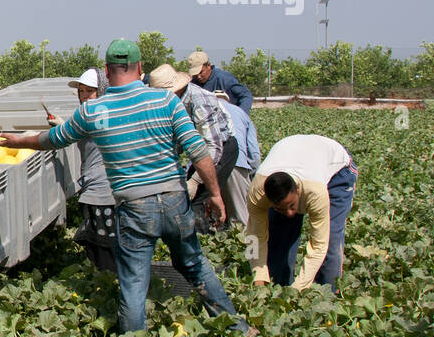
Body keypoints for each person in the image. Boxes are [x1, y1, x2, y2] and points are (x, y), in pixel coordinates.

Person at [0, 39, 250, 335]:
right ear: (140, 68)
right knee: (194, 264)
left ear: (107, 71)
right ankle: (237, 329)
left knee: (133, 282)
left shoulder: (93, 111)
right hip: (174, 200)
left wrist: (18, 141)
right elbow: (199, 152)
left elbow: (52, 139)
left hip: (134, 207)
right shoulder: (166, 101)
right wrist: (216, 195)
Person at [246, 135, 358, 293]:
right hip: (293, 155)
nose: (290, 213)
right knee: (278, 238)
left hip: (337, 170)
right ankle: (278, 290)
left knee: (330, 238)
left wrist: (299, 288)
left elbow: (319, 245)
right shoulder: (257, 194)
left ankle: (328, 294)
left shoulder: (315, 192)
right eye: (280, 208)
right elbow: (253, 237)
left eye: (292, 205)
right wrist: (258, 276)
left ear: (298, 190)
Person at [149, 63, 237, 231]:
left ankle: (204, 244)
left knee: (199, 200)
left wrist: (195, 181)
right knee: (187, 199)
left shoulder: (200, 100)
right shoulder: (169, 103)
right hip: (199, 152)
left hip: (222, 149)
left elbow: (213, 146)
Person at [51, 68, 116, 272]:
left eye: (90, 91)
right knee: (102, 243)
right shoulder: (93, 114)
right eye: (81, 91)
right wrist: (62, 124)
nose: (85, 96)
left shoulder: (98, 115)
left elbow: (70, 134)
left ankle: (110, 285)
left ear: (102, 91)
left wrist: (20, 141)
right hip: (96, 191)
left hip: (103, 193)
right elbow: (79, 132)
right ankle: (109, 282)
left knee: (105, 245)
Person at [219, 96, 261, 227]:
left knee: (215, 219)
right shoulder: (240, 113)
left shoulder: (203, 108)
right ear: (228, 100)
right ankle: (245, 247)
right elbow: (254, 152)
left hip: (207, 166)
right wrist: (252, 174)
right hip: (236, 164)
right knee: (240, 220)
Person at [186, 51, 253, 113]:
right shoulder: (193, 84)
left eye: (201, 72)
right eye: (195, 74)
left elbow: (246, 96)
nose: (198, 77)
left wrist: (240, 115)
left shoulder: (224, 79)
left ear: (208, 66)